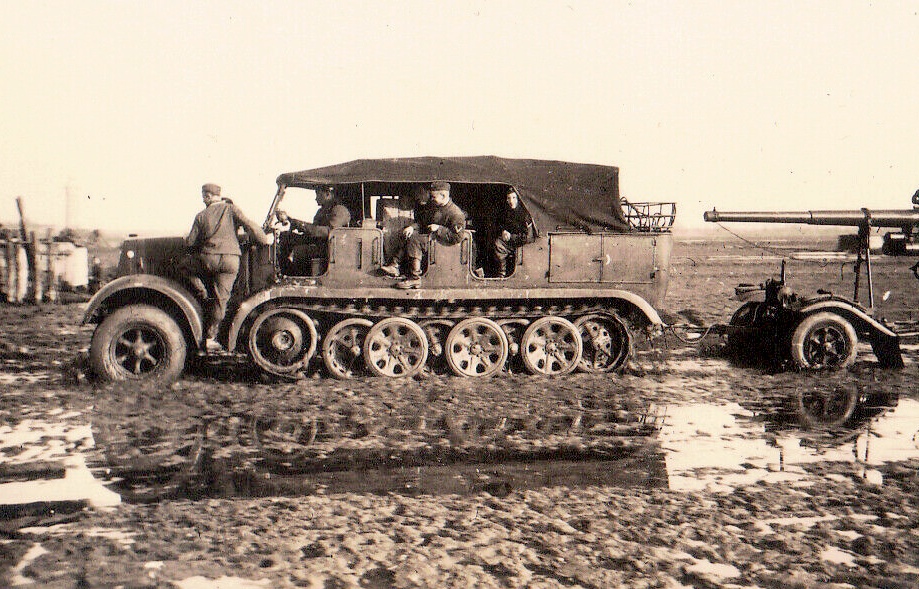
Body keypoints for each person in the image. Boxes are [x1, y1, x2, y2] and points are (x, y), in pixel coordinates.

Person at [185, 183, 268, 352]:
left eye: (203, 196)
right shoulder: (231, 209)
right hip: (230, 261)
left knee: (182, 267)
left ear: (208, 196)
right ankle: (211, 338)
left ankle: (201, 291)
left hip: (208, 259)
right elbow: (250, 226)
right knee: (221, 300)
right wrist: (263, 240)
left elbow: (191, 243)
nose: (203, 199)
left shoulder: (201, 215)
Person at [380, 181, 466, 289]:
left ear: (443, 196)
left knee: (415, 239)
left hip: (441, 245)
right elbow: (423, 222)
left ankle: (414, 278)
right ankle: (395, 265)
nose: (431, 199)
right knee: (408, 233)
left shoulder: (456, 213)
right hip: (430, 240)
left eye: (433, 197)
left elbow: (457, 237)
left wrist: (439, 229)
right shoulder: (435, 206)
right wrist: (412, 227)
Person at [274, 186, 350, 273]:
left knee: (299, 250)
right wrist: (293, 221)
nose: (316, 198)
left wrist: (302, 225)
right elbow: (313, 231)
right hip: (320, 244)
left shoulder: (340, 210)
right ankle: (285, 271)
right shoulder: (322, 211)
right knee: (286, 237)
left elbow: (329, 232)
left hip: (330, 249)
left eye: (318, 194)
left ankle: (294, 273)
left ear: (327, 194)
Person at [490, 188, 535, 277]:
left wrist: (511, 236)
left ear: (518, 199)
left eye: (514, 198)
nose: (511, 201)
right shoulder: (506, 212)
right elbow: (499, 224)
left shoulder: (525, 215)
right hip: (511, 242)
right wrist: (503, 231)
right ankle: (502, 273)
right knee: (498, 243)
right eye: (509, 198)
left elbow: (529, 237)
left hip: (523, 243)